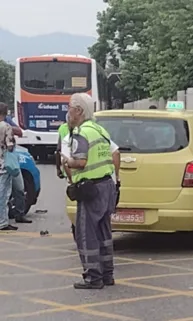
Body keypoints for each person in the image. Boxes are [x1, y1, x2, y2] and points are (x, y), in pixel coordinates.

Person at [63, 93, 117, 290]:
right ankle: (107, 274)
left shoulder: (81, 133)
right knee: (104, 233)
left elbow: (81, 162)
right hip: (106, 186)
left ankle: (93, 276)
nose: (67, 111)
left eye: (69, 107)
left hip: (90, 189)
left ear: (78, 110)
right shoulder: (100, 130)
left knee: (86, 234)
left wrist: (67, 161)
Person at [4, 114, 30, 223]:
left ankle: (20, 214)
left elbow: (19, 131)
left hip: (12, 161)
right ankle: (3, 218)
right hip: (2, 162)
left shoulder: (7, 121)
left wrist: (7, 127)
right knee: (3, 192)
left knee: (19, 189)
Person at [0, 103, 17, 231]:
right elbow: (10, 146)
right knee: (4, 194)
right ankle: (3, 222)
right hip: (3, 166)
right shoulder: (6, 127)